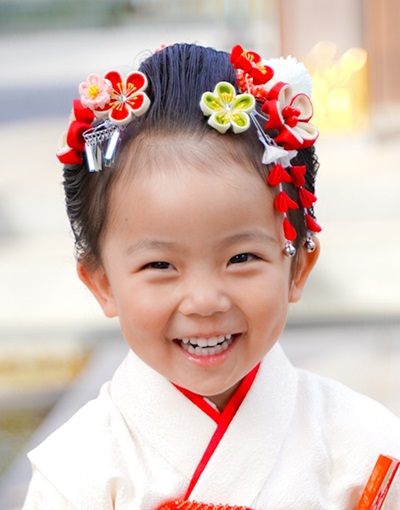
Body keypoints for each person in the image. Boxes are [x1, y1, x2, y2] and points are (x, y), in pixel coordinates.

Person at [22, 43, 400, 510]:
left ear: (297, 267)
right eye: (160, 265)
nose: (204, 300)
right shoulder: (76, 475)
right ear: (101, 282)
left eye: (241, 258)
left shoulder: (364, 448)